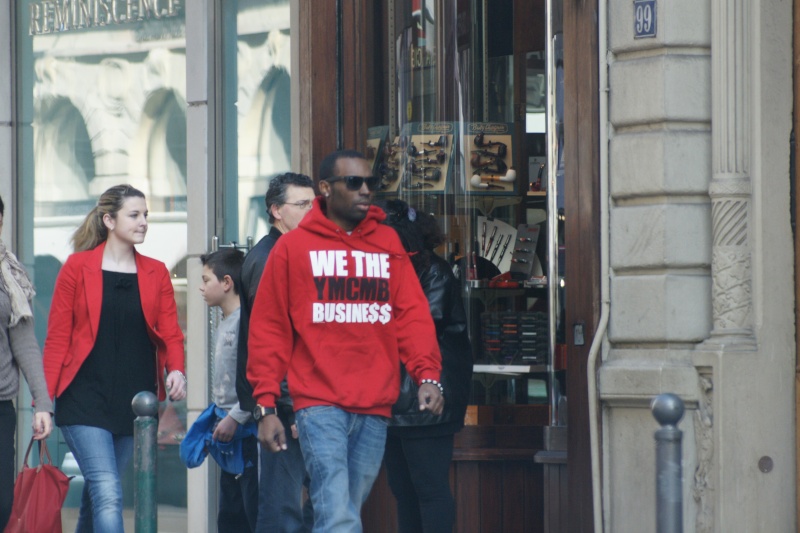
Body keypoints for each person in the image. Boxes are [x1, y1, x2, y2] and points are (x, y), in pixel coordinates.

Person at [247, 150, 445, 532]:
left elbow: (411, 315)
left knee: (344, 506)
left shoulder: (387, 242)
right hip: (318, 402)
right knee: (337, 510)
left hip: (375, 402)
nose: (365, 190)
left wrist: (428, 375)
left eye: (370, 183)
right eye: (353, 182)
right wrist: (265, 405)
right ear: (325, 188)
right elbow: (269, 330)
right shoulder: (292, 248)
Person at [43, 184, 186, 533]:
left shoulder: (156, 272)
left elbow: (170, 332)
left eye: (146, 215)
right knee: (108, 489)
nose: (143, 222)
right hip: (83, 397)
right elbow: (58, 338)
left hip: (134, 402)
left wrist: (177, 370)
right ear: (109, 219)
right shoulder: (77, 268)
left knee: (98, 492)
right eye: (134, 215)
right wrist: (43, 402)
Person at [379, 199, 473, 533]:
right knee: (404, 491)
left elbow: (422, 328)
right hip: (394, 397)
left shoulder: (434, 271)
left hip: (426, 395)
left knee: (429, 489)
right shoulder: (393, 270)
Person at [235, 172, 316, 532]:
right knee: (283, 510)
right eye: (302, 205)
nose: (312, 212)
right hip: (286, 405)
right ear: (276, 211)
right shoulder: (272, 257)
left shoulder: (285, 252)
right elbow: (270, 340)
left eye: (315, 204)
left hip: (290, 401)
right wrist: (287, 405)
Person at [194, 247, 259, 532]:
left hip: (246, 430)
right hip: (228, 429)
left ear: (227, 283)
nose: (201, 286)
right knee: (231, 515)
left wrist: (234, 416)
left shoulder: (246, 323)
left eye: (207, 279)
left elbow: (255, 379)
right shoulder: (224, 323)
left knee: (251, 511)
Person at [0, 195, 53, 531]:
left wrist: (42, 403)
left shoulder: (8, 272)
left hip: (1, 401)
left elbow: (24, 342)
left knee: (4, 502)